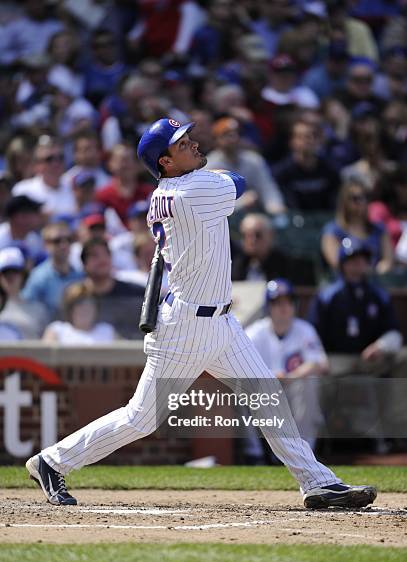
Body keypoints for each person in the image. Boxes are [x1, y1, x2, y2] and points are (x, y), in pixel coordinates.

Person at [26, 118, 377, 510]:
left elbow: (227, 180)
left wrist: (207, 169)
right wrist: (216, 172)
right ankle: (51, 461)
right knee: (141, 419)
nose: (193, 144)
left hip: (221, 322)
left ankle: (317, 483)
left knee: (267, 397)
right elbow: (241, 182)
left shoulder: (171, 190)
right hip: (186, 328)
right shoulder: (193, 190)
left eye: (189, 138)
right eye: (181, 144)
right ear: (165, 162)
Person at [245, 279, 328, 458]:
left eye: (288, 302)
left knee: (309, 384)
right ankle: (255, 455)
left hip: (293, 387)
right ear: (269, 307)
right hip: (265, 390)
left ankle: (304, 452)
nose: (284, 307)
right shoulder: (255, 332)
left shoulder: (305, 329)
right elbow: (241, 366)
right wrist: (270, 377)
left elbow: (319, 363)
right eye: (277, 303)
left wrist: (292, 376)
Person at [309, 238, 402, 357]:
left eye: (362, 258)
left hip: (372, 360)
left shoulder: (379, 295)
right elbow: (312, 333)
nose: (358, 262)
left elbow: (393, 330)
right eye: (352, 258)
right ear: (343, 263)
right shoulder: (326, 296)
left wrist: (381, 346)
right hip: (336, 360)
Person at [206, 117, 285, 215]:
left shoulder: (254, 160)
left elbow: (267, 188)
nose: (233, 138)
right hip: (224, 220)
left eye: (236, 133)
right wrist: (240, 203)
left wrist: (275, 207)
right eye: (227, 134)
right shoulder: (210, 165)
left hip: (256, 214)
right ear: (216, 139)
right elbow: (210, 204)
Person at [321, 178, 393, 274]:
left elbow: (387, 260)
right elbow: (336, 262)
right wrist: (360, 271)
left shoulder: (379, 229)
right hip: (345, 283)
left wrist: (379, 270)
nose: (362, 202)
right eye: (355, 198)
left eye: (365, 197)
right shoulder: (332, 230)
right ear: (345, 201)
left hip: (374, 280)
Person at [80, 237, 145, 340]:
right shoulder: (76, 297)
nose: (102, 259)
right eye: (94, 255)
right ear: (84, 264)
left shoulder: (136, 293)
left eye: (106, 254)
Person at [273, 119, 340, 211]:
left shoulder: (330, 170)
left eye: (313, 136)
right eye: (302, 137)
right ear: (292, 141)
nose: (309, 140)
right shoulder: (281, 173)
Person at [231, 213, 315, 285]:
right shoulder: (235, 264)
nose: (252, 240)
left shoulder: (286, 265)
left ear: (271, 235)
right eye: (246, 235)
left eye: (258, 234)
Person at [22, 220, 83, 318]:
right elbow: (28, 309)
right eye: (57, 241)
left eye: (68, 239)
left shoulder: (80, 275)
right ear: (45, 245)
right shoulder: (38, 277)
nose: (64, 245)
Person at [12, 135, 76, 217]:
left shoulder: (74, 185)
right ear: (37, 165)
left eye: (60, 157)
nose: (56, 163)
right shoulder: (23, 190)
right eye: (49, 159)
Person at [43, 282, 116, 345]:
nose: (85, 309)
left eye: (90, 303)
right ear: (70, 309)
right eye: (79, 304)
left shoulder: (107, 330)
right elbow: (44, 357)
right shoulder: (57, 330)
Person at [0, 246, 48, 339]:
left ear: (23, 276)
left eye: (14, 272)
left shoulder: (38, 310)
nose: (10, 277)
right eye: (5, 273)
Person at [0, 195, 44, 266]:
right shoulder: (1, 238)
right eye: (35, 212)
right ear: (20, 217)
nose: (39, 216)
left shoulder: (34, 239)